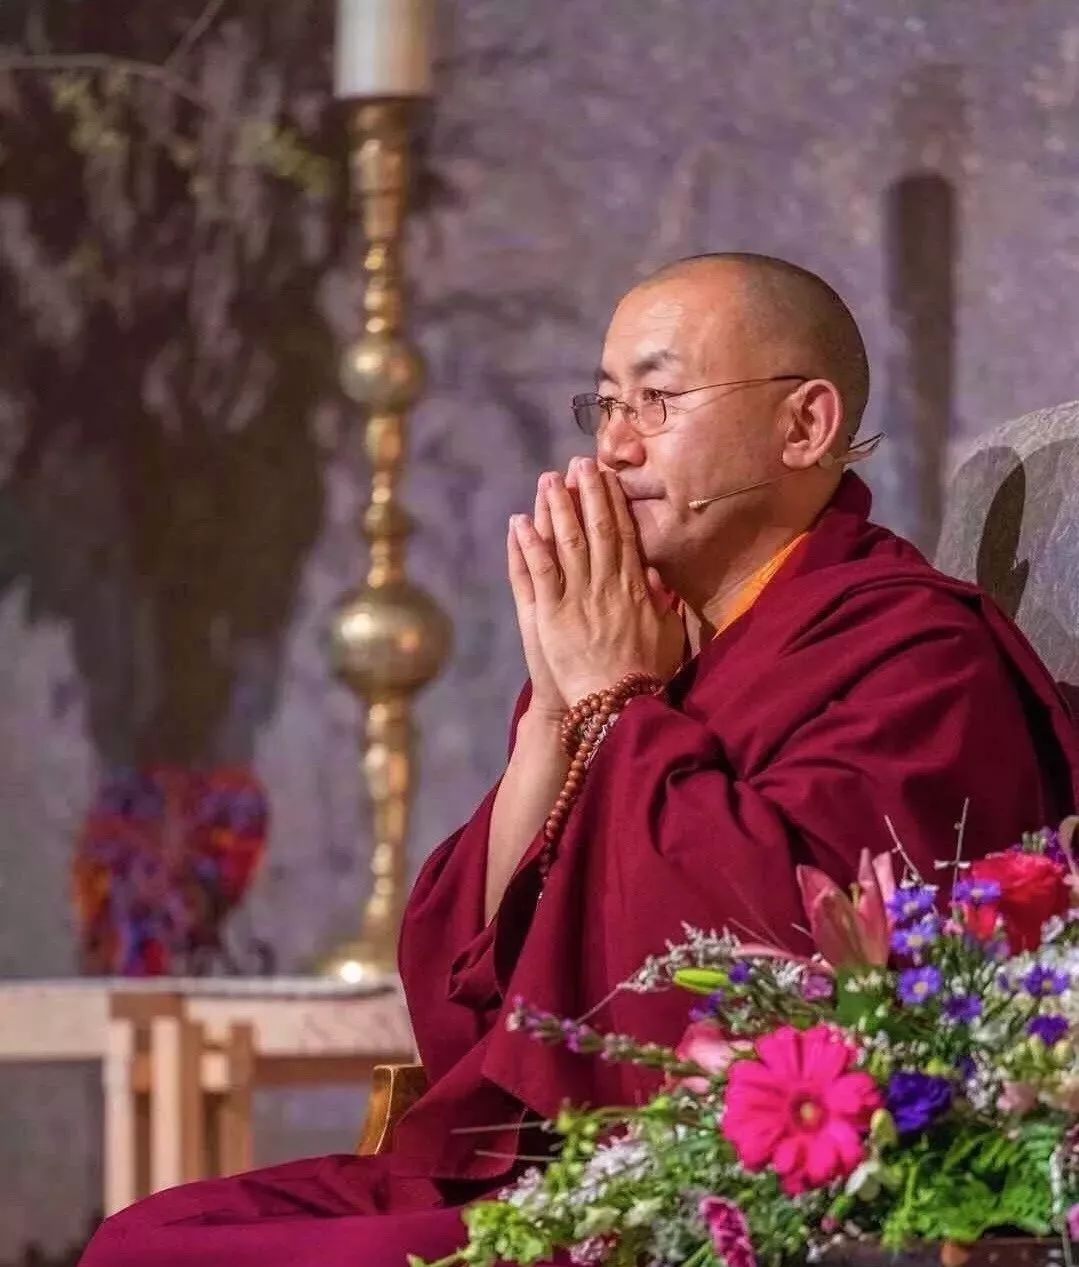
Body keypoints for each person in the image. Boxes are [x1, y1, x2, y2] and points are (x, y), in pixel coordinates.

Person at [79, 254, 1079, 1267]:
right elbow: (469, 979)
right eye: (603, 405)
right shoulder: (646, 643)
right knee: (145, 1233)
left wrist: (618, 702)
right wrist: (556, 714)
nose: (614, 444)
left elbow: (768, 967)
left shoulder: (912, 654)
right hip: (546, 1162)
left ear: (803, 425)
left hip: (706, 1196)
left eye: (656, 399)